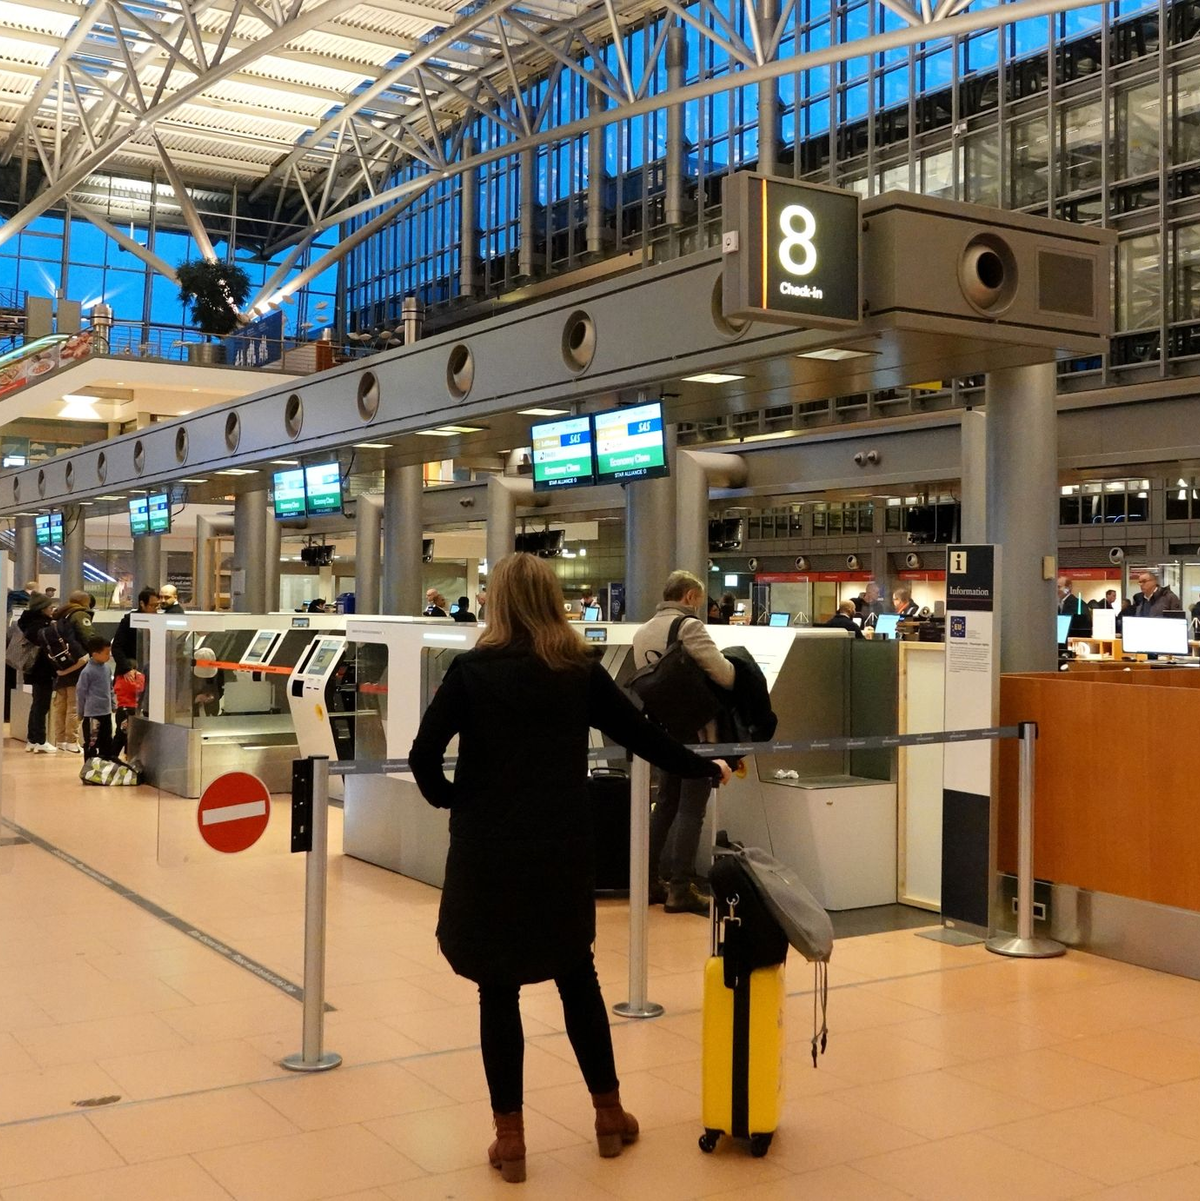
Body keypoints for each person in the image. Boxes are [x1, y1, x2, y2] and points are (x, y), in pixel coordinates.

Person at [410, 553, 729, 1184]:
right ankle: (609, 1116)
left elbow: (424, 756)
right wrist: (702, 765)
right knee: (576, 976)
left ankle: (512, 1139)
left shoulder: (471, 671)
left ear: (498, 601)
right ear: (553, 600)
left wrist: (457, 801)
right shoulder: (576, 668)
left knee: (496, 988)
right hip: (559, 844)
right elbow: (641, 736)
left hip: (489, 849)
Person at [632, 569, 736, 915]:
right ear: (690, 596)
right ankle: (681, 887)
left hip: (662, 729)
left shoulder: (643, 631)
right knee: (692, 809)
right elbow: (723, 673)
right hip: (696, 732)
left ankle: (647, 882)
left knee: (665, 805)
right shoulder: (689, 627)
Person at [17, 593, 58, 753]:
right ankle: (40, 740)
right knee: (42, 705)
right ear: (42, 609)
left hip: (33, 669)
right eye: (50, 607)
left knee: (37, 704)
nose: (52, 609)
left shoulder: (27, 622)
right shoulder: (40, 625)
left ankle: (32, 739)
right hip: (42, 669)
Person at [48, 601, 88, 753]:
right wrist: (67, 671)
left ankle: (60, 740)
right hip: (74, 676)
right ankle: (72, 741)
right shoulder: (70, 632)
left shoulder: (53, 629)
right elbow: (83, 659)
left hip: (60, 674)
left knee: (60, 707)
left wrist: (61, 672)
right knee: (73, 708)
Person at [77, 636, 115, 761]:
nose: (109, 656)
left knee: (107, 740)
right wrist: (80, 712)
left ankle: (105, 767)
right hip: (92, 714)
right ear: (95, 654)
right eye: (106, 653)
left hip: (106, 712)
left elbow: (110, 688)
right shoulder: (87, 672)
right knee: (92, 743)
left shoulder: (107, 669)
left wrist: (113, 704)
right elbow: (81, 692)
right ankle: (89, 769)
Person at [113, 586, 159, 686]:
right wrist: (127, 669)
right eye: (152, 606)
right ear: (142, 604)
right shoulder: (129, 621)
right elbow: (117, 647)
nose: (156, 610)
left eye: (157, 606)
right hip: (130, 672)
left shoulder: (158, 622)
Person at [112, 666, 145, 760]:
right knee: (122, 734)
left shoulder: (119, 678)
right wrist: (139, 677)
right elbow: (138, 689)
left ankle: (124, 754)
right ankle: (114, 755)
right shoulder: (127, 679)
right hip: (127, 709)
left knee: (125, 734)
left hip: (123, 709)